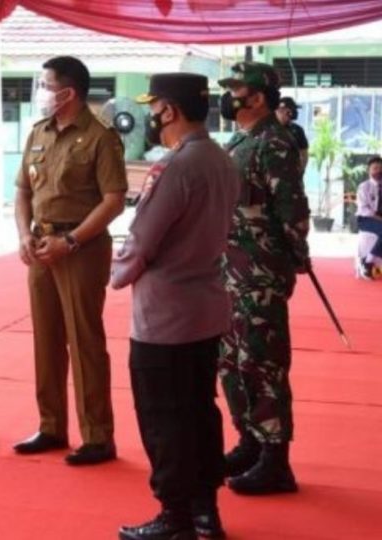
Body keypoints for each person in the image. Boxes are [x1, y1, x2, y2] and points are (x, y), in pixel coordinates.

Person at [112, 73, 239, 540]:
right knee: (199, 412)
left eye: (155, 107)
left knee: (163, 417)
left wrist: (115, 274)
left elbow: (142, 239)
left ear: (168, 110)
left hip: (165, 314)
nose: (150, 116)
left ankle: (176, 516)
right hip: (206, 306)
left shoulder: (175, 166)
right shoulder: (222, 160)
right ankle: (206, 511)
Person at [13, 56, 126, 465]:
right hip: (42, 245)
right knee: (46, 340)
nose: (41, 92)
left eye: (46, 85)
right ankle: (51, 426)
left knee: (84, 341)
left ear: (68, 92)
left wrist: (73, 241)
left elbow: (114, 201)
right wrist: (25, 234)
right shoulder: (39, 133)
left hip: (81, 247)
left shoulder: (101, 137)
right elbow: (23, 190)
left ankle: (97, 435)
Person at [218, 62, 310, 495]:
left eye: (236, 89)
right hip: (230, 270)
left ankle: (276, 459)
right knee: (233, 360)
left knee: (263, 361)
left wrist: (293, 259)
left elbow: (292, 209)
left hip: (260, 272)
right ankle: (250, 441)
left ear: (256, 97)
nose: (229, 96)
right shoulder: (241, 139)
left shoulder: (275, 142)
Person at [355, 156, 382, 278]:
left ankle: (369, 260)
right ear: (369, 171)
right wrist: (378, 217)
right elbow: (364, 208)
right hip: (366, 219)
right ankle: (367, 262)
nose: (378, 171)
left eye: (380, 168)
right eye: (375, 168)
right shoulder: (364, 187)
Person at [275, 97, 309, 172]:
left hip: (292, 173)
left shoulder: (297, 130)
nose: (292, 113)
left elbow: (304, 153)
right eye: (288, 110)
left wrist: (300, 171)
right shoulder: (268, 130)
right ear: (279, 110)